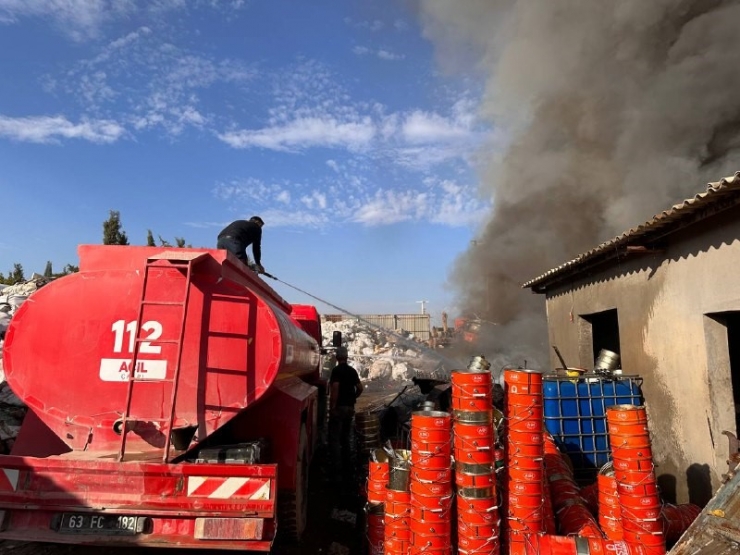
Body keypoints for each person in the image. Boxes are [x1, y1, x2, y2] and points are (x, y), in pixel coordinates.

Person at [328, 346, 363, 483]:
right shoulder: (352, 371)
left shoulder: (336, 371)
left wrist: (332, 407)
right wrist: (353, 398)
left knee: (334, 438)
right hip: (349, 408)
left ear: (337, 358)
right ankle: (348, 463)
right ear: (347, 357)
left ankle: (337, 468)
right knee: (346, 436)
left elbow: (335, 389)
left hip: (339, 408)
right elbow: (360, 388)